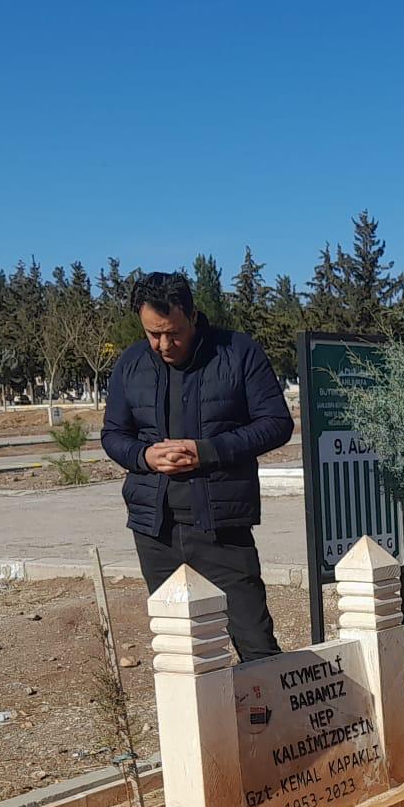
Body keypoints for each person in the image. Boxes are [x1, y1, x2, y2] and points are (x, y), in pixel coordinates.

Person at [101, 271, 292, 661]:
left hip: (222, 528)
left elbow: (277, 424)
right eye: (153, 334)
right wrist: (144, 457)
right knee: (180, 651)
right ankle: (202, 723)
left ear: (192, 315)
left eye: (173, 332)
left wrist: (207, 451)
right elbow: (113, 434)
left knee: (255, 643)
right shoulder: (131, 364)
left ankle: (266, 721)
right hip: (155, 531)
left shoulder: (238, 352)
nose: (164, 344)